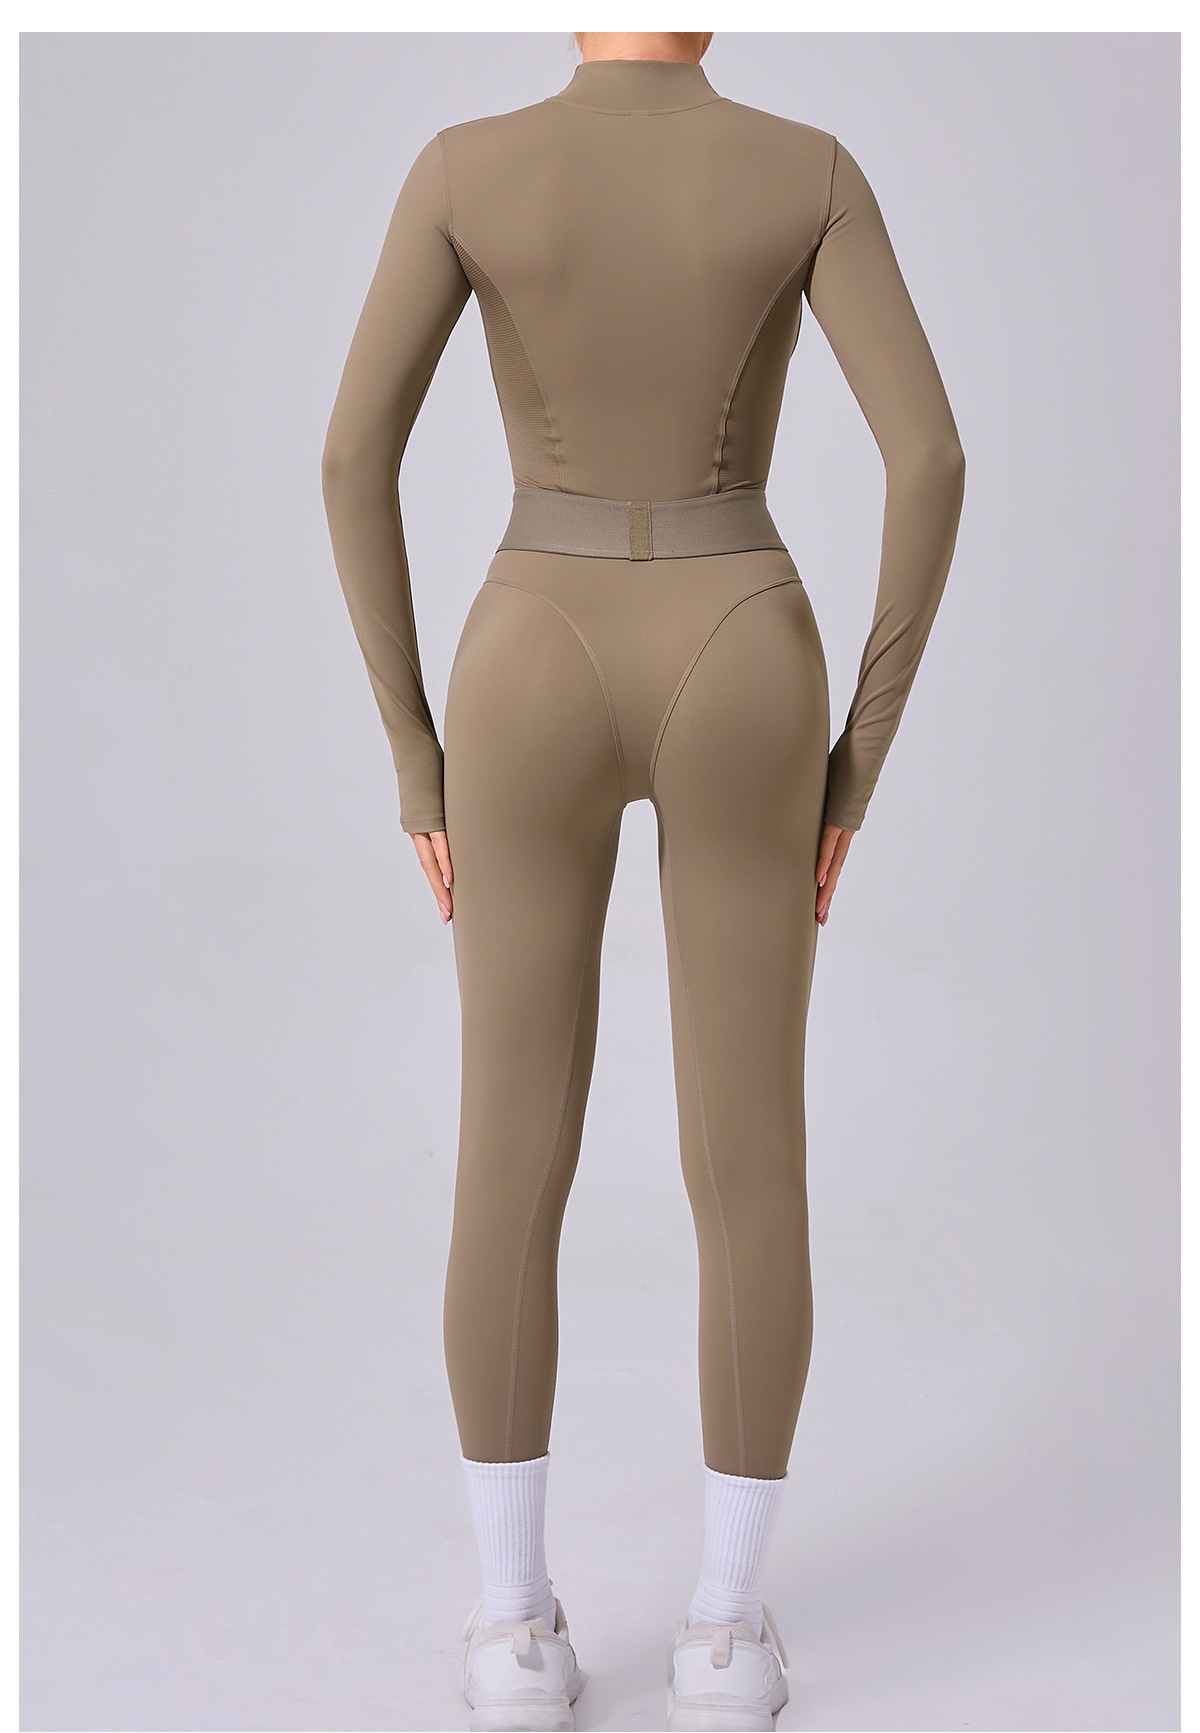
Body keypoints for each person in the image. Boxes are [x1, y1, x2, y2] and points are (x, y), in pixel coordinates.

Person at [322, 28, 966, 1732]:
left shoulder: (465, 165)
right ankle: (724, 1634)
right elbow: (931, 456)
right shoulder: (804, 166)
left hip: (527, 646)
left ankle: (513, 1628)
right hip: (741, 635)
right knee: (749, 1156)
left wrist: (415, 754)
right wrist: (856, 760)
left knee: (506, 1144)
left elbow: (350, 455)